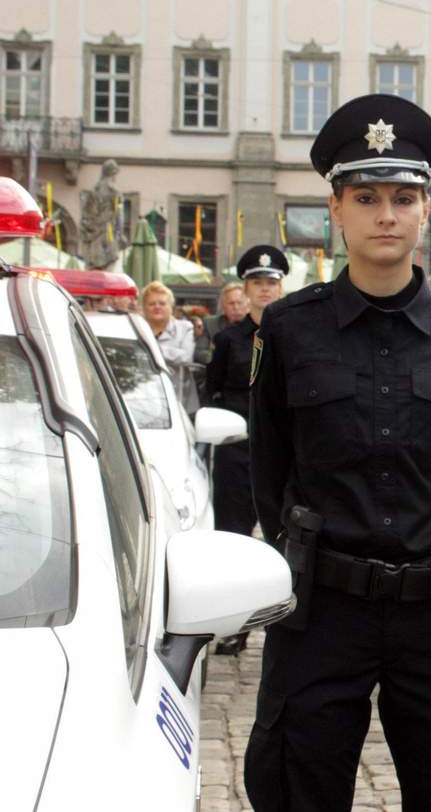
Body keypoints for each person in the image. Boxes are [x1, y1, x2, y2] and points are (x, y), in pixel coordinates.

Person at [245, 94, 431, 812]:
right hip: (323, 610)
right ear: (336, 208)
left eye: (403, 196)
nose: (386, 214)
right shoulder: (292, 331)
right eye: (366, 197)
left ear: (427, 210)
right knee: (297, 784)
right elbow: (271, 471)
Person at [205, 244, 288, 654]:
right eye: (257, 282)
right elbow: (212, 392)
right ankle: (235, 625)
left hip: (281, 454)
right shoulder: (228, 340)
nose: (264, 289)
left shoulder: (293, 334)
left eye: (271, 282)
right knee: (234, 540)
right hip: (237, 451)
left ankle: (279, 622)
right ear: (246, 287)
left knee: (282, 540)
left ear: (281, 286)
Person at [141, 280, 199, 415]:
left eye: (162, 303)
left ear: (171, 307)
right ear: (144, 307)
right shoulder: (138, 328)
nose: (157, 307)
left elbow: (186, 357)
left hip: (179, 400)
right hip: (143, 398)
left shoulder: (185, 328)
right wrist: (171, 353)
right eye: (151, 304)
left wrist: (151, 349)